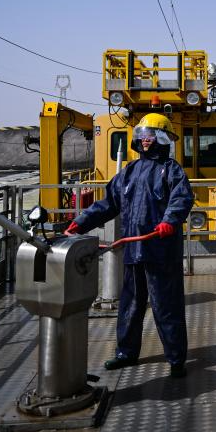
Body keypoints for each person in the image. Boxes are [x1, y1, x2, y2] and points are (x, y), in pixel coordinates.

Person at [64, 112, 194, 377]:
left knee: (166, 306)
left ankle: (176, 358)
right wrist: (81, 223)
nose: (146, 140)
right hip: (134, 250)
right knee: (130, 305)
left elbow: (181, 199)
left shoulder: (172, 170)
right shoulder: (128, 172)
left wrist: (169, 221)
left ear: (163, 138)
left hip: (160, 250)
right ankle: (126, 353)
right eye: (142, 136)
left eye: (151, 136)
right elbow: (107, 203)